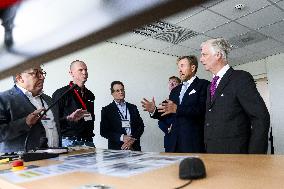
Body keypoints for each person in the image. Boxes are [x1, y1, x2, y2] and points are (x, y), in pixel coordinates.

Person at [200, 38, 270, 154]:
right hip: (212, 152)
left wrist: (255, 157)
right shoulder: (210, 86)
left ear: (217, 55)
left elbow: (260, 118)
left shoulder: (240, 78)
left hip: (235, 154)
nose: (201, 59)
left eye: (204, 55)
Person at [142, 56, 210, 153]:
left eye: (182, 66)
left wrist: (177, 109)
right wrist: (154, 110)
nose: (179, 70)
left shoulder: (204, 85)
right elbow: (168, 112)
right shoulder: (175, 91)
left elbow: (202, 110)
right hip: (173, 142)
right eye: (178, 67)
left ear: (193, 68)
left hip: (192, 142)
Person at [0, 66, 60, 153]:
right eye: (35, 73)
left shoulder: (48, 99)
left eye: (42, 73)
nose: (42, 77)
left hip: (56, 158)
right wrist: (25, 122)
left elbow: (49, 125)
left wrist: (67, 119)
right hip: (23, 163)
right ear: (19, 78)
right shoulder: (3, 99)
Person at [52, 60, 95, 147]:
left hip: (88, 141)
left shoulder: (90, 95)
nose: (85, 72)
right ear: (71, 73)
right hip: (69, 141)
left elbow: (90, 117)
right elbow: (53, 121)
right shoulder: (61, 93)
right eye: (80, 70)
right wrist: (69, 118)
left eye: (86, 70)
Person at [100, 81, 144, 151]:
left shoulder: (133, 107)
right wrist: (121, 137)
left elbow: (140, 126)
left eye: (122, 90)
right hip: (117, 149)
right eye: (117, 90)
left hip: (134, 147)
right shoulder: (107, 110)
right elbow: (104, 132)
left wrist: (132, 139)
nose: (121, 92)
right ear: (112, 93)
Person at [141, 76, 181, 152]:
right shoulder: (165, 102)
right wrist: (153, 110)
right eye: (170, 83)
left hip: (184, 139)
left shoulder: (185, 100)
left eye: (174, 83)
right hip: (170, 140)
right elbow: (160, 119)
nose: (172, 84)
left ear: (180, 85)